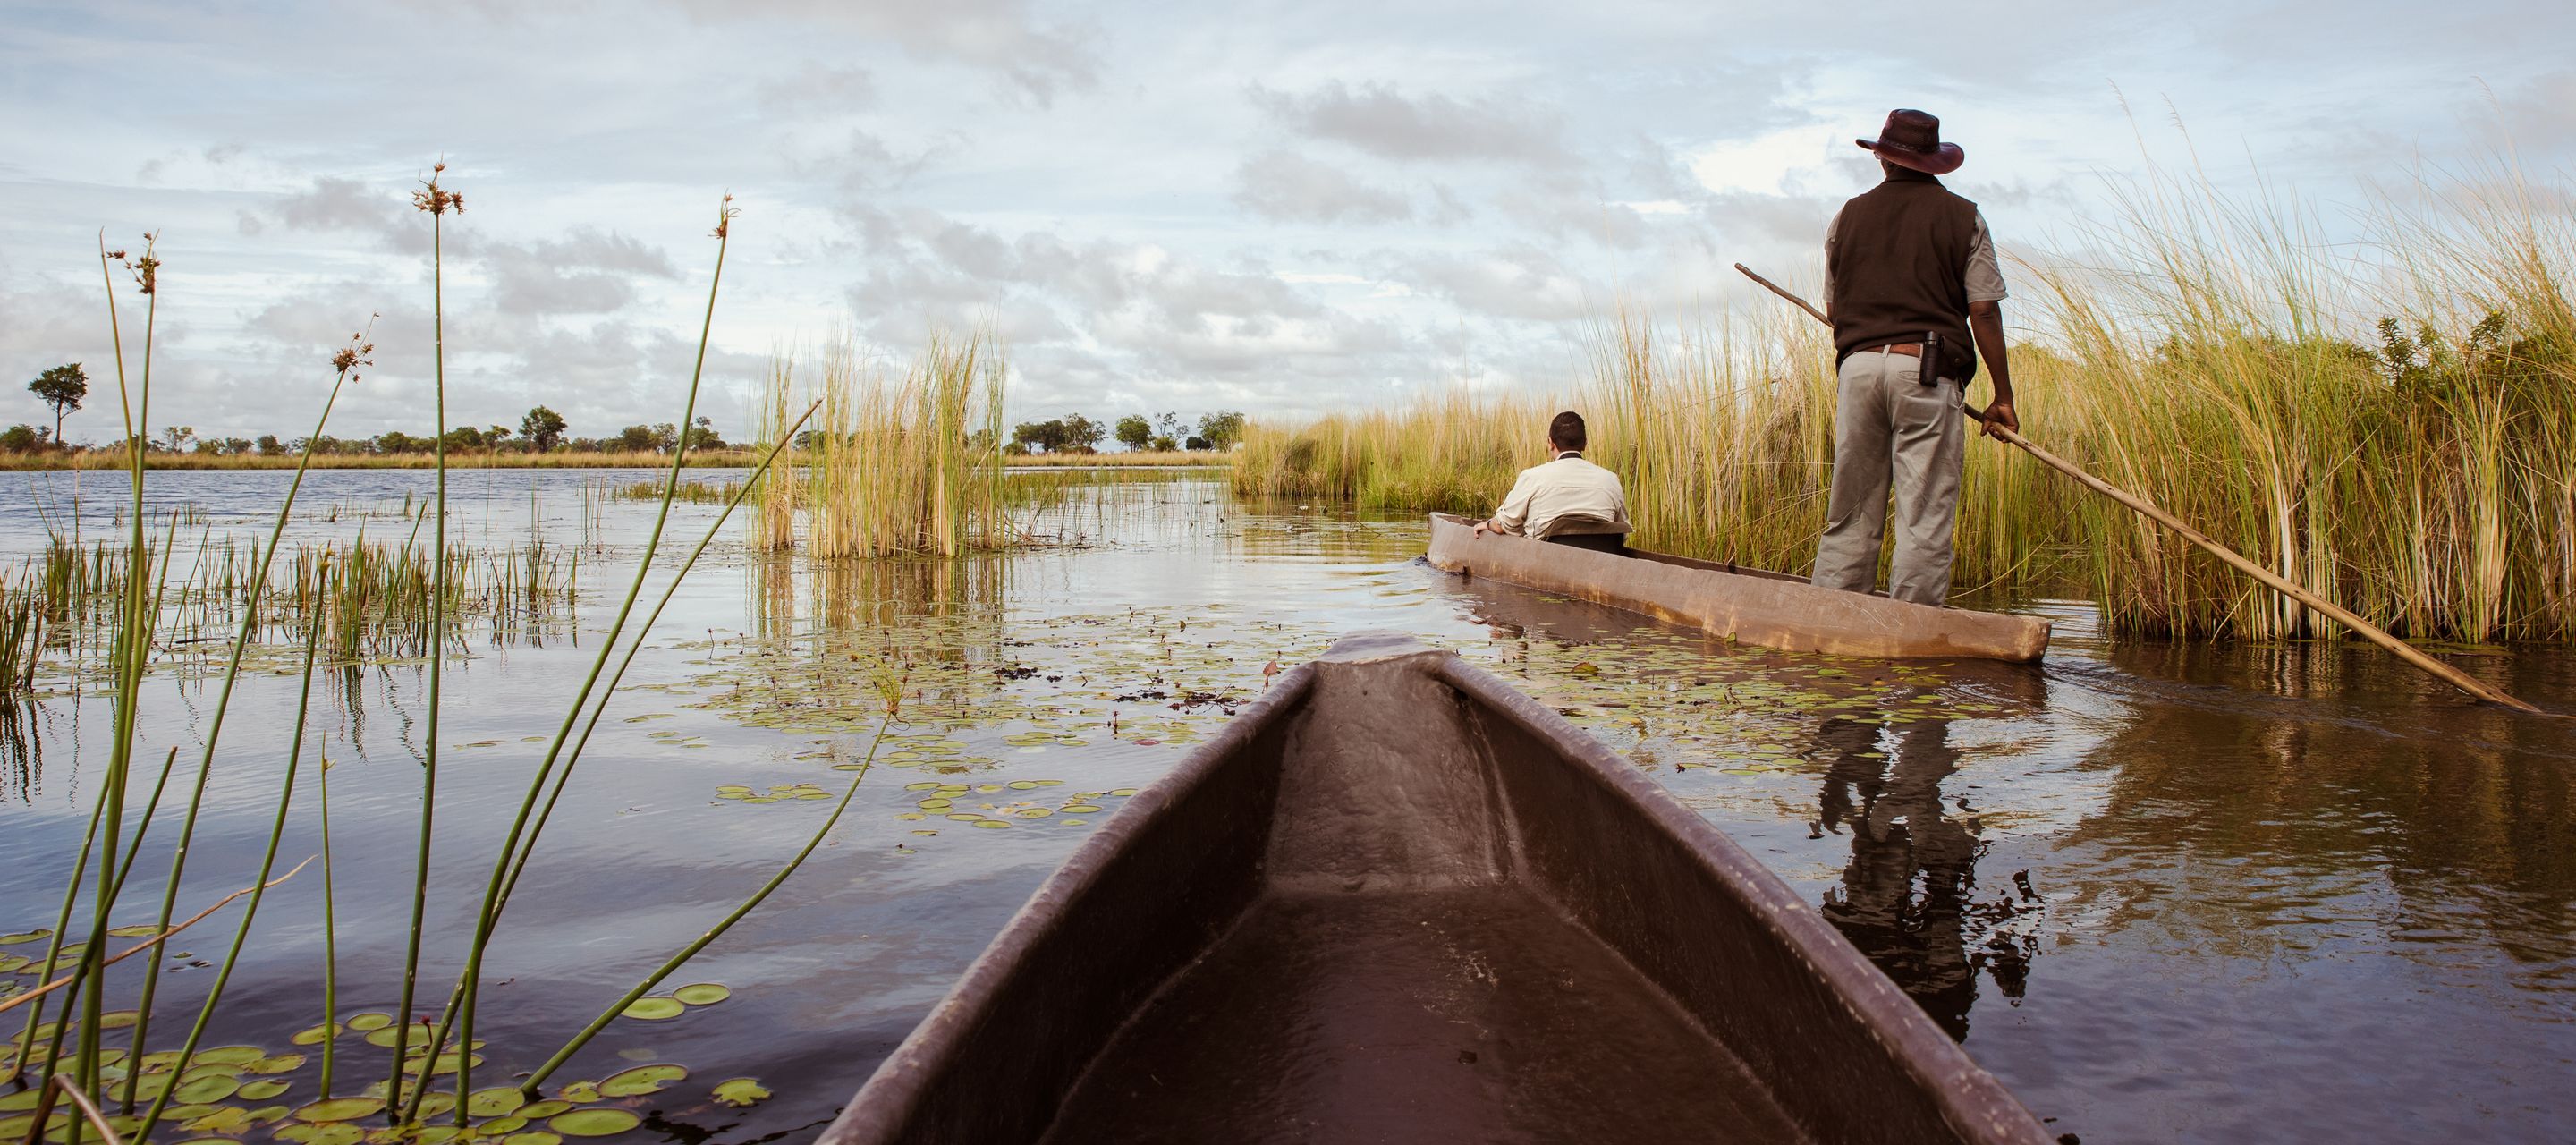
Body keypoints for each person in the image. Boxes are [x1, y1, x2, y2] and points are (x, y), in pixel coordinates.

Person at [1811, 108, 2017, 606]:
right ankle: (1911, 644)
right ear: (1932, 163)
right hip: (1926, 374)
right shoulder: (1965, 216)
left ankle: (1831, 623)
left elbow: (1836, 308)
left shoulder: (1848, 215)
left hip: (1858, 369)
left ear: (1882, 159)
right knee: (1923, 517)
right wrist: (2002, 396)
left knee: (1851, 513)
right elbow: (1983, 310)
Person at [1471, 411, 1630, 553]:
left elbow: (1502, 526)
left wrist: (1487, 524)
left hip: (1547, 561)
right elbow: (1621, 532)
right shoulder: (1611, 480)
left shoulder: (1532, 477)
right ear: (1585, 443)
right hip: (1603, 561)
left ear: (1550, 443)